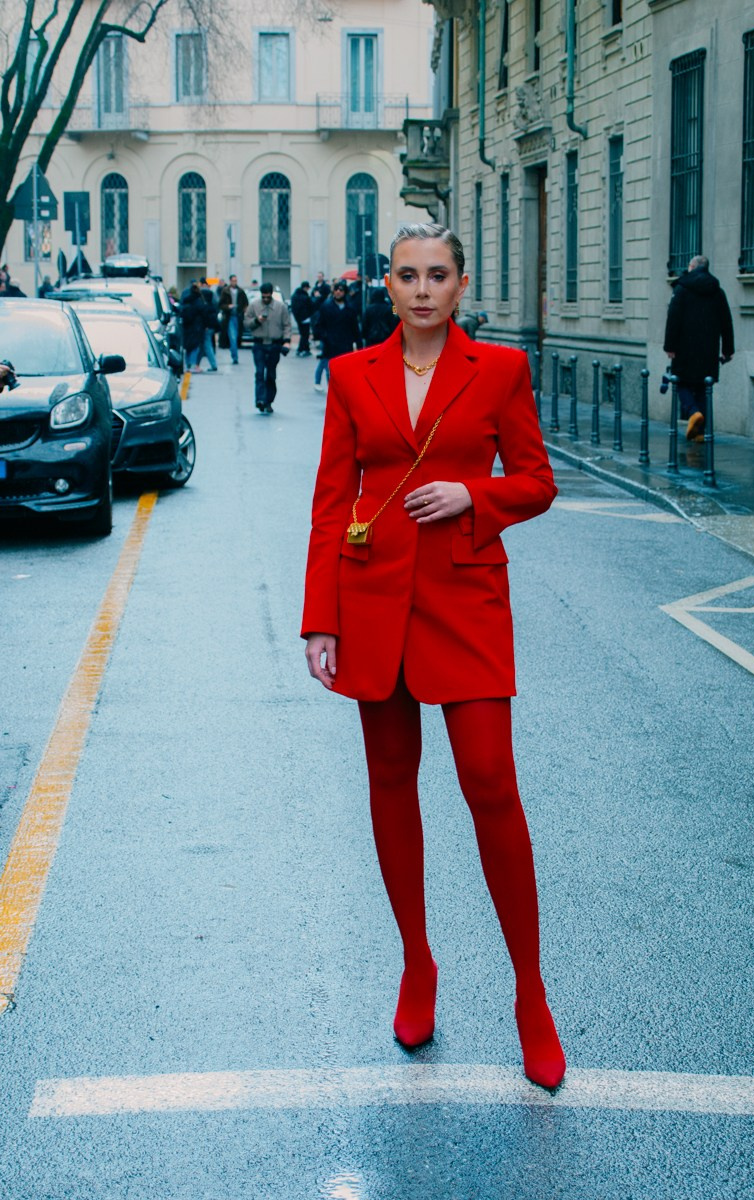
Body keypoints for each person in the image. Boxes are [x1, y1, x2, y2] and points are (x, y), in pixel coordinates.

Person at [301, 222, 566, 1091]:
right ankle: (418, 962)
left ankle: (531, 993)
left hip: (466, 598)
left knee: (491, 782)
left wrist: (474, 494)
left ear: (459, 286)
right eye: (408, 275)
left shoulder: (499, 372)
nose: (422, 289)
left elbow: (536, 480)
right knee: (390, 781)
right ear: (389, 285)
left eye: (438, 275)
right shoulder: (350, 375)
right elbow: (331, 501)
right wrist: (320, 621)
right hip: (372, 601)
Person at [664, 255, 734, 441]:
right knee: (704, 387)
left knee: (681, 383)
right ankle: (700, 433)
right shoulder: (717, 291)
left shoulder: (682, 289)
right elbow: (726, 322)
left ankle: (693, 413)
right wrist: (728, 350)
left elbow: (673, 319)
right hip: (708, 349)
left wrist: (669, 346)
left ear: (693, 267)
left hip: (684, 348)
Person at [244, 282, 292, 413]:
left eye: (268, 297)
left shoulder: (280, 307)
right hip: (259, 343)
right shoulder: (254, 306)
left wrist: (287, 341)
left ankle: (269, 400)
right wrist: (257, 321)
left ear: (271, 295)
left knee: (271, 374)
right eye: (263, 297)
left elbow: (287, 325)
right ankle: (260, 400)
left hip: (274, 344)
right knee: (259, 373)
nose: (265, 299)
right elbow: (246, 322)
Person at [311, 279, 362, 392]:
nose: (338, 292)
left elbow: (355, 328)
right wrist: (324, 337)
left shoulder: (350, 309)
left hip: (346, 344)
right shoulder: (326, 307)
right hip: (330, 344)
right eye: (336, 290)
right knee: (331, 371)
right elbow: (319, 324)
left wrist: (359, 345)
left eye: (341, 290)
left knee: (345, 372)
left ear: (345, 292)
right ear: (333, 292)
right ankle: (333, 394)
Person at [219, 274, 248, 365]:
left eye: (236, 280)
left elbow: (245, 303)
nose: (234, 282)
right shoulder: (225, 291)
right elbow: (220, 304)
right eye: (233, 280)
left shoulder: (240, 291)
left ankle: (234, 353)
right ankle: (235, 356)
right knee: (233, 337)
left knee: (237, 336)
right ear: (230, 281)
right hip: (229, 316)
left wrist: (244, 310)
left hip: (238, 316)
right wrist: (228, 307)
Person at [180, 280, 207, 371]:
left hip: (187, 326)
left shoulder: (186, 300)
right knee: (195, 346)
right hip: (197, 326)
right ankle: (193, 364)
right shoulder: (199, 300)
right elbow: (203, 312)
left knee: (188, 346)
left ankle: (188, 364)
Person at [290, 281, 314, 357]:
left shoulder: (294, 296)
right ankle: (302, 349)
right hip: (306, 318)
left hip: (298, 318)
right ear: (305, 288)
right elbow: (311, 306)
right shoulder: (305, 297)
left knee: (303, 334)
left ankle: (305, 349)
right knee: (305, 334)